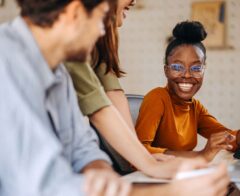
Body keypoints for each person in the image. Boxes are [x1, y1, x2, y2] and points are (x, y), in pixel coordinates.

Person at [0, 0, 132, 195]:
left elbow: (81, 145)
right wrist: (167, 191)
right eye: (100, 18)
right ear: (75, 12)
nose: (101, 31)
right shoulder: (6, 65)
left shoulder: (58, 70)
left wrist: (100, 170)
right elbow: (42, 188)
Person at [136, 21, 240, 162]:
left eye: (196, 68)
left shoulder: (195, 108)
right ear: (166, 70)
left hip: (182, 175)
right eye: (177, 67)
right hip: (152, 178)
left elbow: (229, 138)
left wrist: (235, 139)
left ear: (204, 71)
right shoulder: (157, 97)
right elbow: (139, 152)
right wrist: (200, 155)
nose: (186, 75)